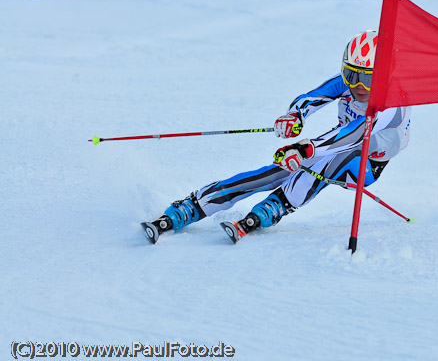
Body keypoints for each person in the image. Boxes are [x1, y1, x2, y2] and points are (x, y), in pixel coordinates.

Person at [142, 30, 411, 244]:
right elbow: (311, 98)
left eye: (368, 79)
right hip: (332, 144)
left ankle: (276, 205)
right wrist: (294, 117)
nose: (357, 87)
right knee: (275, 171)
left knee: (318, 164)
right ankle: (196, 204)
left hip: (366, 163)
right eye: (352, 75)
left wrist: (307, 148)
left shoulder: (392, 103)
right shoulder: (350, 83)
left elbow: (352, 136)